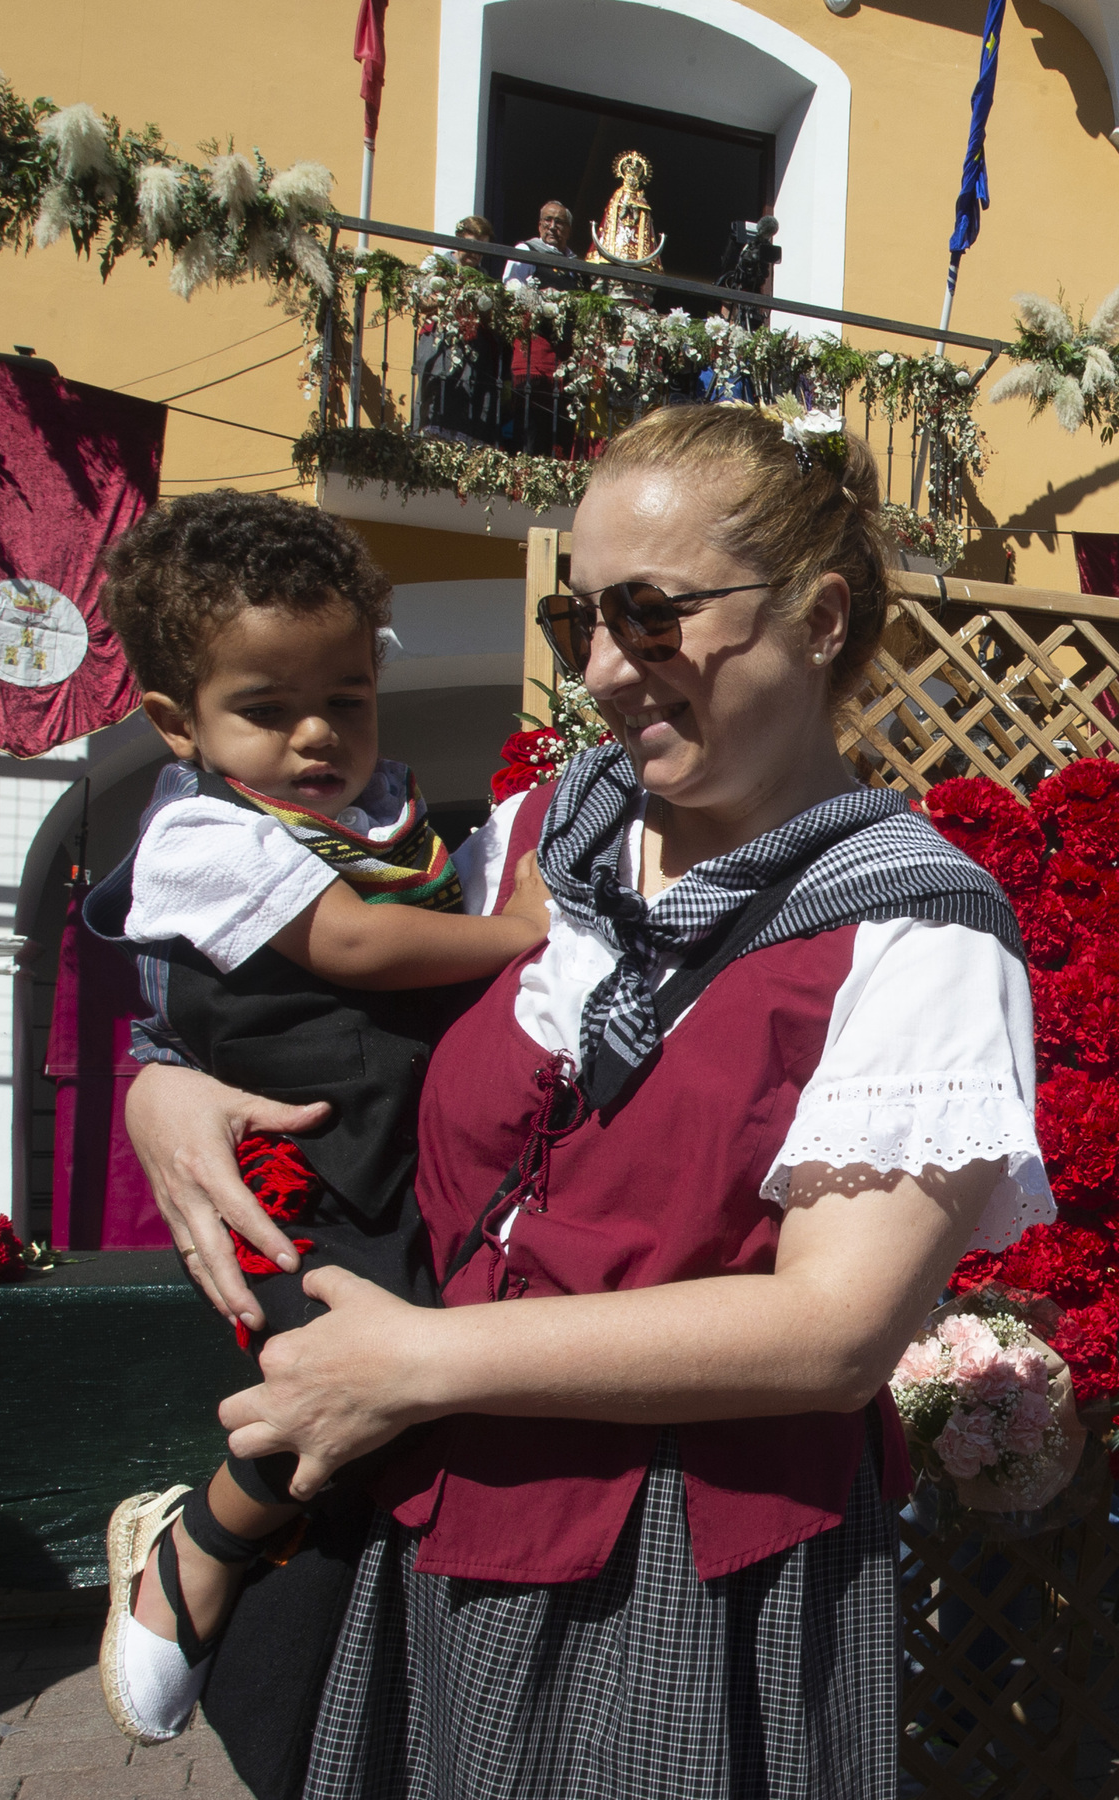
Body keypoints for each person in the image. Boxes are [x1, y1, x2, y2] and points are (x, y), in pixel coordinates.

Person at [125, 405, 1054, 1800]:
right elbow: (329, 1012)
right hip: (431, 1522)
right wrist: (167, 1083)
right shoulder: (543, 840)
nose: (607, 670)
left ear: (818, 617)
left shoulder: (916, 933)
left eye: (651, 614)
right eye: (582, 624)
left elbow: (832, 1334)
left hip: (688, 1576)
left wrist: (419, 1367)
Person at [85, 490, 550, 1749]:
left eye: (343, 700)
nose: (313, 736)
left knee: (400, 1398)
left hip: (383, 1164)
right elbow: (346, 938)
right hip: (298, 1179)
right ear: (179, 723)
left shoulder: (378, 812)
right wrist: (510, 929)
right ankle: (208, 1530)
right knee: (341, 1384)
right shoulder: (197, 837)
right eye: (267, 707)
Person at [414, 215, 504, 444]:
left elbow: (493, 321)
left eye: (481, 249)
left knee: (469, 414)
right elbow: (420, 302)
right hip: (441, 345)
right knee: (436, 406)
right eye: (471, 245)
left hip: (473, 353)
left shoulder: (485, 279)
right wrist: (452, 297)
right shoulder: (436, 267)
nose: (475, 254)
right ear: (458, 240)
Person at [503, 200, 581, 456]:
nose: (553, 226)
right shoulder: (526, 250)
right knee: (531, 415)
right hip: (535, 347)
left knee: (559, 419)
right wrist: (545, 302)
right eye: (548, 220)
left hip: (564, 355)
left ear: (568, 230)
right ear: (539, 225)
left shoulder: (576, 266)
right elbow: (512, 289)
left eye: (559, 222)